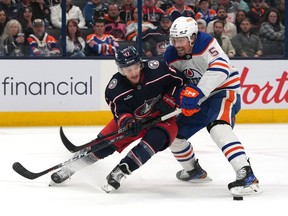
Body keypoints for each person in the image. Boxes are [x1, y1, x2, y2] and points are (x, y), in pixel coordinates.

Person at [49, 46, 210, 192]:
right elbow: (120, 112)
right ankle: (71, 167)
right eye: (127, 69)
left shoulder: (158, 69)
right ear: (120, 69)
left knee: (155, 139)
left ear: (140, 63)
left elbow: (181, 82)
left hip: (163, 118)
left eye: (135, 67)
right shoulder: (114, 89)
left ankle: (121, 171)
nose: (133, 73)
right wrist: (127, 122)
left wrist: (171, 98)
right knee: (105, 144)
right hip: (135, 120)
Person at [164, 16, 262, 196]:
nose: (177, 44)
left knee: (218, 127)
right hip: (199, 98)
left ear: (192, 37)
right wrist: (181, 96)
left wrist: (198, 92)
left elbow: (221, 67)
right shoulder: (170, 55)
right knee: (173, 135)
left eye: (181, 39)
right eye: (174, 39)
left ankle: (247, 175)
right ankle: (193, 170)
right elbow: (173, 83)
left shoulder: (206, 42)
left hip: (224, 91)